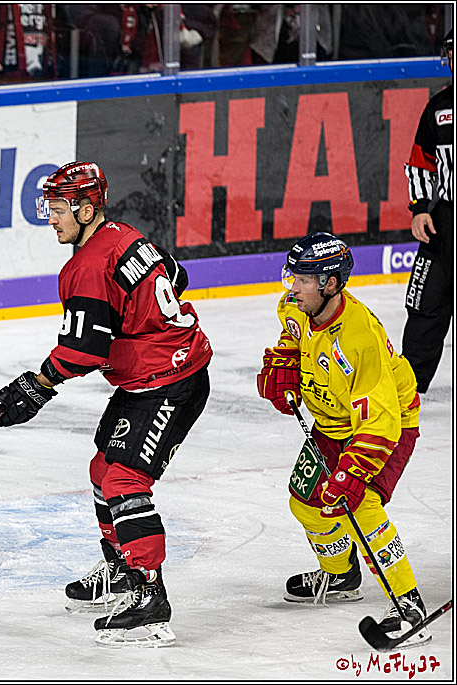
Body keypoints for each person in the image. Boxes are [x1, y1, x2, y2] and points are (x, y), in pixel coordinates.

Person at [0, 162, 212, 647]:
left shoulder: (87, 265)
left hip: (170, 381)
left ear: (87, 209)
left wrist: (38, 384)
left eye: (58, 208)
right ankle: (120, 570)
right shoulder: (123, 235)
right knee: (101, 469)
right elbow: (178, 274)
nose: (51, 217)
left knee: (124, 480)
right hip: (149, 376)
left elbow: (86, 349)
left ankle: (150, 598)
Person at [257, 232, 430, 647]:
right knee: (306, 502)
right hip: (333, 423)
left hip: (386, 425)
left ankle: (409, 605)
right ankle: (340, 577)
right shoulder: (296, 306)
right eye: (292, 276)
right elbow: (293, 336)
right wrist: (283, 365)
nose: (291, 287)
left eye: (302, 279)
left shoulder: (359, 338)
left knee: (360, 502)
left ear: (330, 284)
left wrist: (353, 473)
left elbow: (381, 421)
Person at [401, 29, 453, 394]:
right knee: (424, 301)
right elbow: (421, 162)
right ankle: (408, 385)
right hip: (447, 218)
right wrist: (420, 208)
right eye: (450, 54)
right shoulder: (439, 108)